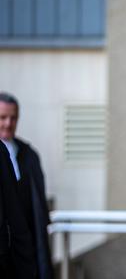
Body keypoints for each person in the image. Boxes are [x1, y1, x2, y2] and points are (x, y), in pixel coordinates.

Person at [0, 92, 53, 279]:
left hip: (25, 243)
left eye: (13, 118)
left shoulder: (29, 155)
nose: (8, 123)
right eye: (2, 117)